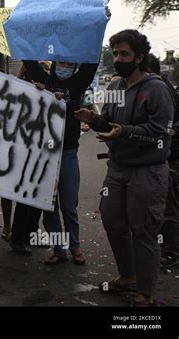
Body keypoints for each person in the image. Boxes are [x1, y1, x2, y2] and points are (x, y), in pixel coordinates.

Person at [75, 29, 174, 306]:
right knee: (113, 222)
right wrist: (93, 119)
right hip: (118, 169)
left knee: (143, 230)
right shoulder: (116, 88)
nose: (118, 58)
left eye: (124, 54)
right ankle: (127, 276)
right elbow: (108, 123)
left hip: (148, 171)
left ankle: (145, 292)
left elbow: (160, 131)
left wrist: (125, 132)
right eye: (116, 53)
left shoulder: (157, 89)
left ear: (139, 57)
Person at [148, 54, 179, 269]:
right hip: (164, 156)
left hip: (169, 157)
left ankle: (169, 251)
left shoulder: (162, 91)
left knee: (168, 206)